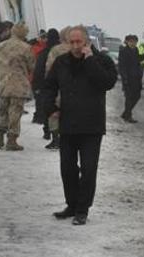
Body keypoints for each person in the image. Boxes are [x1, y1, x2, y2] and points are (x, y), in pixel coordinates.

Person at [41, 25, 118, 225]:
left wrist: (90, 60)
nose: (75, 46)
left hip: (92, 126)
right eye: (71, 42)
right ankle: (72, 204)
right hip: (68, 124)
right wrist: (50, 108)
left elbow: (107, 82)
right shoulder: (61, 62)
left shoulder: (101, 60)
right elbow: (48, 86)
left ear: (87, 42)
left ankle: (82, 209)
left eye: (79, 42)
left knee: (88, 169)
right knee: (67, 168)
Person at [0, 22, 35, 151]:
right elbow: (32, 67)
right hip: (18, 84)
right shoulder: (25, 47)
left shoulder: (0, 46)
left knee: (2, 110)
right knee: (15, 112)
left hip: (2, 83)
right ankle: (11, 140)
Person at [42, 26, 72, 150]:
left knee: (54, 112)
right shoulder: (76, 49)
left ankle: (55, 139)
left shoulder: (55, 50)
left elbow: (48, 67)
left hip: (57, 85)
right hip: (73, 87)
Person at [32, 28, 61, 139]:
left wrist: (36, 85)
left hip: (46, 85)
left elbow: (38, 70)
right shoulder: (62, 50)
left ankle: (47, 131)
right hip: (60, 84)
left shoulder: (44, 52)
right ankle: (58, 132)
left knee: (47, 108)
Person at [118, 35, 144, 123]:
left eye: (134, 41)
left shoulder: (136, 50)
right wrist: (124, 78)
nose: (133, 43)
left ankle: (126, 113)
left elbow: (139, 58)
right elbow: (122, 66)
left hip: (136, 78)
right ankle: (128, 116)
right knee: (129, 98)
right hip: (128, 79)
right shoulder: (124, 51)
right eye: (131, 41)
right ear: (127, 42)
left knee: (137, 96)